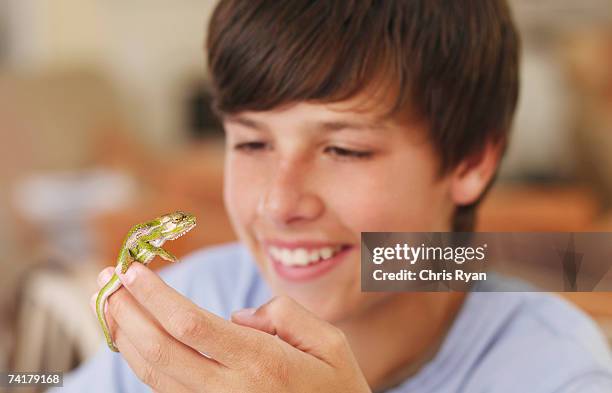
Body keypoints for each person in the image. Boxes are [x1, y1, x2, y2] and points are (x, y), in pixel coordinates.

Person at [54, 1, 612, 392]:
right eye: (251, 142)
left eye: (344, 150)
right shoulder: (198, 301)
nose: (279, 202)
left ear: (470, 161)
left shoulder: (555, 370)